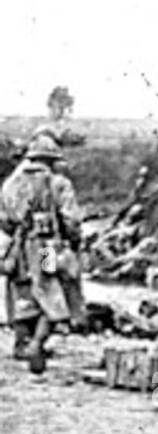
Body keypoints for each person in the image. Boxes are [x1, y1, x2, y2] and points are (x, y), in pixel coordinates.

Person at [0, 133, 85, 373]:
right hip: (47, 248)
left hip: (19, 247)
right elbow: (71, 221)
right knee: (51, 290)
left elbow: (4, 221)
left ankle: (21, 343)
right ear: (51, 159)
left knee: (22, 292)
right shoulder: (59, 183)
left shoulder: (10, 184)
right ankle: (37, 343)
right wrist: (74, 243)